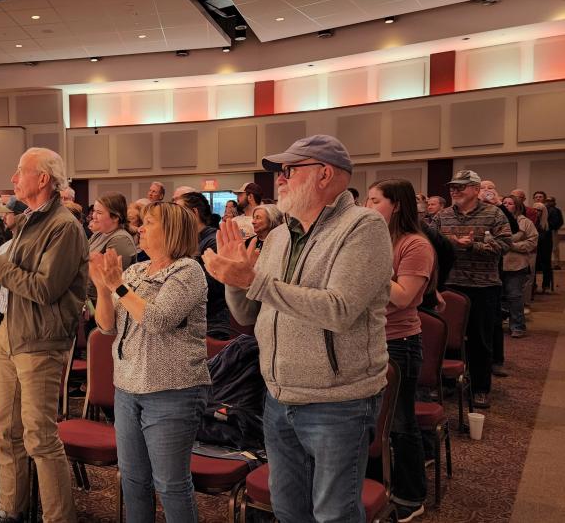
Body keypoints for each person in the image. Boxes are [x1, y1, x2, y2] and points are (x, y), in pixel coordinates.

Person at [203, 135, 392, 523]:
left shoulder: (363, 227)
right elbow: (252, 314)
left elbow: (339, 310)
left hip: (337, 401)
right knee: (288, 510)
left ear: (325, 174)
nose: (280, 179)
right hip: (278, 396)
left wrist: (252, 281)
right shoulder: (280, 236)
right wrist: (233, 278)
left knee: (333, 514)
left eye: (290, 170)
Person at [0, 147, 87, 523]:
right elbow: (8, 282)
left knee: (40, 439)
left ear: (43, 179)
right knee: (6, 432)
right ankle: (10, 510)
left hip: (41, 341)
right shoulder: (28, 222)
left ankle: (57, 518)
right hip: (9, 336)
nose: (14, 179)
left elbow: (45, 289)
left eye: (20, 172)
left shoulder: (63, 227)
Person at [91, 201, 211, 523]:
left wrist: (116, 285)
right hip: (128, 387)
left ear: (170, 231)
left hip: (172, 390)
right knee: (132, 479)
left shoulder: (188, 271)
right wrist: (103, 288)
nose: (140, 229)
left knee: (170, 484)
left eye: (148, 223)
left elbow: (158, 320)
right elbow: (105, 326)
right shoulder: (135, 271)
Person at [366, 179, 434, 521]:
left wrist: (369, 266)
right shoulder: (376, 240)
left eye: (375, 200)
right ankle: (378, 483)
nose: (367, 206)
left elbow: (404, 296)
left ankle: (411, 494)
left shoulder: (416, 245)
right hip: (370, 338)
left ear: (397, 206)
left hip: (400, 341)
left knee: (400, 422)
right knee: (371, 421)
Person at [429, 170, 511, 408]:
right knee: (445, 337)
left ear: (476, 189)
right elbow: (429, 241)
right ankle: (446, 382)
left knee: (480, 340)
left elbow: (506, 244)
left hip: (483, 286)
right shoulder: (443, 215)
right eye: (453, 186)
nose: (454, 190)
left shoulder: (494, 214)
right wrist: (452, 243)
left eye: (461, 187)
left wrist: (472, 246)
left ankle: (480, 388)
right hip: (450, 284)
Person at [177, 192, 232, 339]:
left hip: (212, 323)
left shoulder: (213, 241)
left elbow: (214, 286)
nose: (174, 218)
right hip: (196, 322)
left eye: (179, 211)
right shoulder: (191, 241)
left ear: (194, 212)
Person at [87, 194, 137, 303]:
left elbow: (110, 279)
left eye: (99, 213)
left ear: (115, 217)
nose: (93, 216)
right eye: (94, 211)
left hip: (103, 301)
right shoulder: (99, 233)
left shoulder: (120, 240)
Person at [500, 195, 537, 339]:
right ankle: (500, 323)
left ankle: (518, 326)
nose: (507, 205)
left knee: (514, 296)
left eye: (510, 203)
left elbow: (533, 241)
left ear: (517, 206)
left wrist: (513, 246)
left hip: (516, 264)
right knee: (499, 297)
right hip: (497, 265)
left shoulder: (524, 222)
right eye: (504, 203)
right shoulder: (497, 220)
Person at [544, 195, 563, 269]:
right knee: (545, 248)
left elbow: (561, 221)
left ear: (554, 202)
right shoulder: (544, 210)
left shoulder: (557, 210)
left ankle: (556, 264)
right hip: (545, 231)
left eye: (550, 201)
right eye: (547, 201)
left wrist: (555, 227)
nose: (549, 202)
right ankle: (547, 264)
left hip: (553, 231)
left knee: (555, 248)